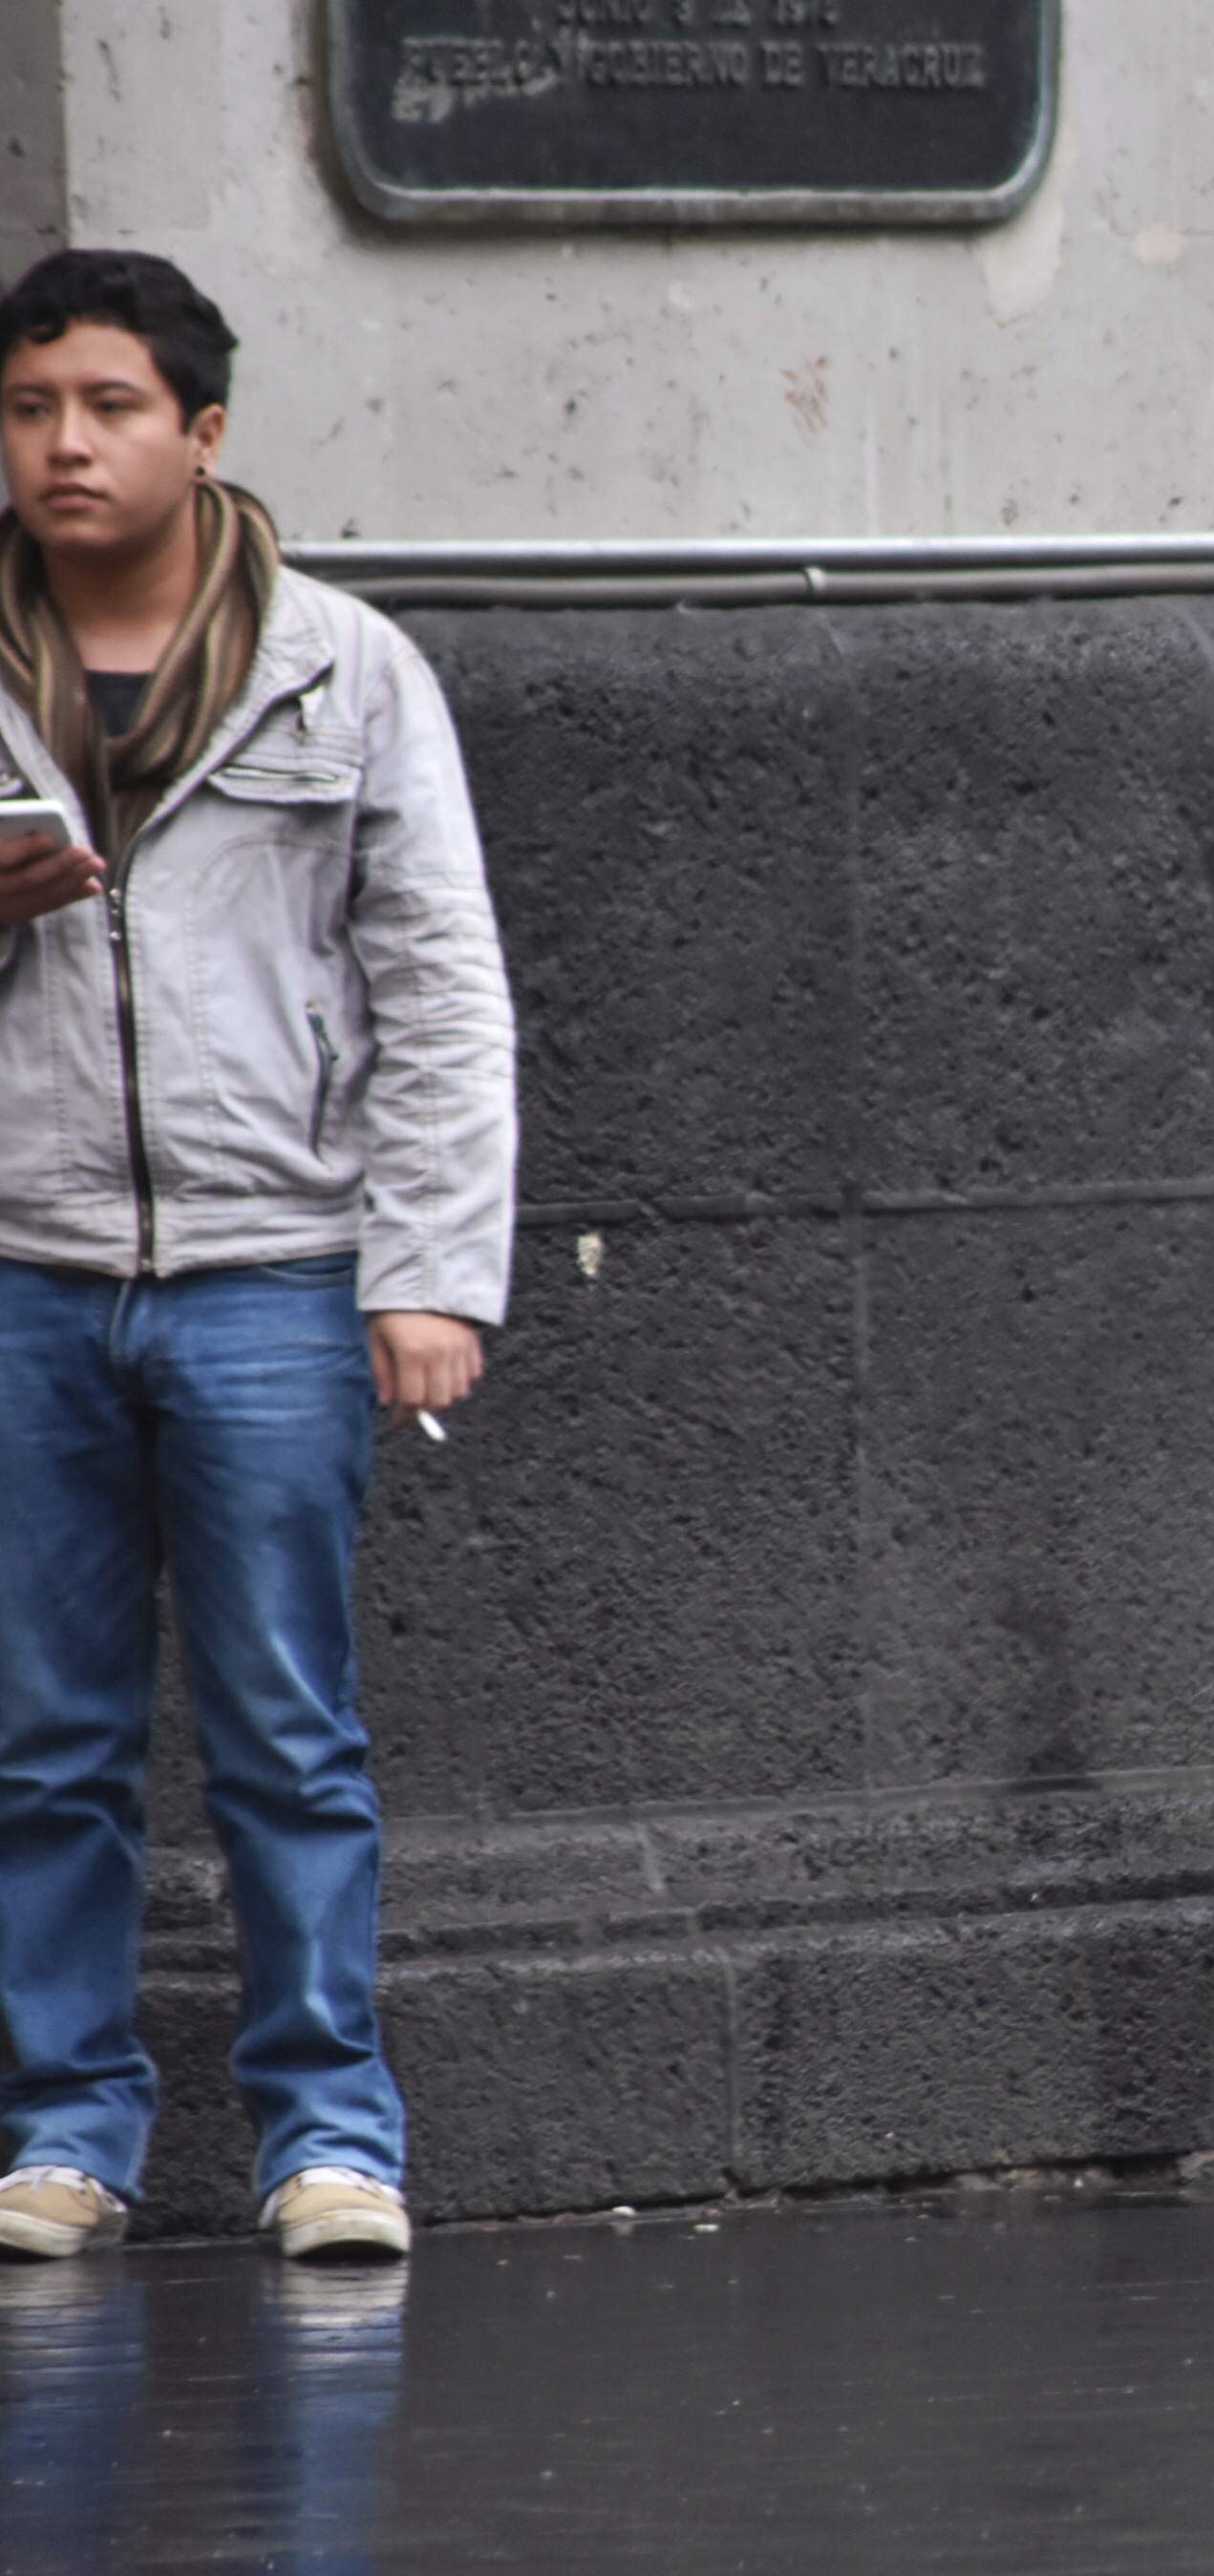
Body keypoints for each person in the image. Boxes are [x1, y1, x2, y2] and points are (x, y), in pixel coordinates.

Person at [0, 251, 516, 2262]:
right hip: (27, 1266)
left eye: (107, 406)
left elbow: (439, 984)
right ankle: (65, 2130)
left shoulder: (344, 667)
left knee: (288, 1729)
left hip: (274, 1271)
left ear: (201, 434)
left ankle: (331, 2137)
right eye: (32, 405)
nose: (63, 443)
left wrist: (434, 1269)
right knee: (49, 1738)